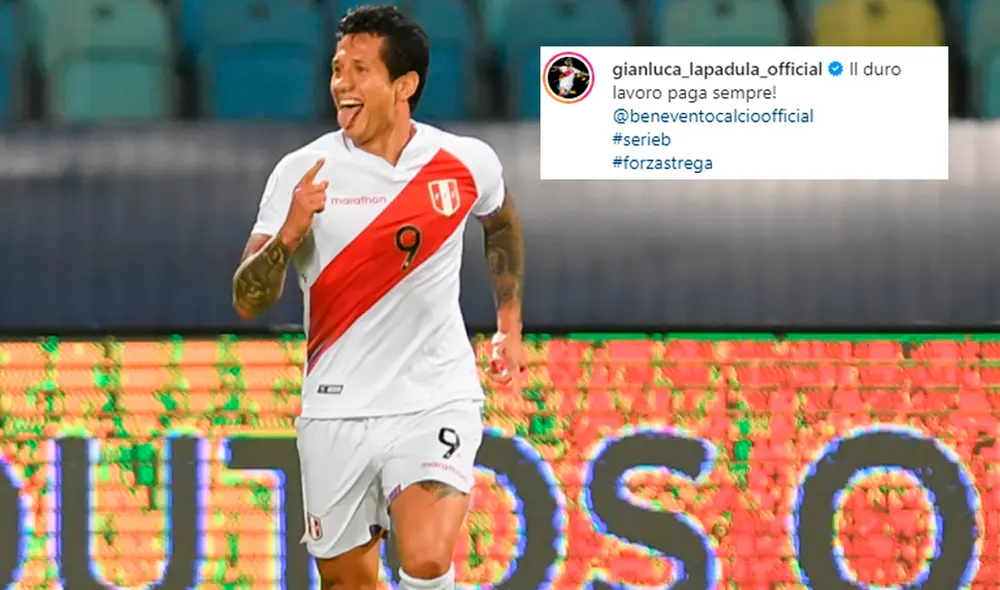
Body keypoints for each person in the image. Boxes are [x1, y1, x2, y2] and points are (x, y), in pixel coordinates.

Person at [230, 4, 525, 590]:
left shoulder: (465, 162)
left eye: (360, 70)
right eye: (337, 69)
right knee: (349, 582)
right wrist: (288, 237)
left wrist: (509, 324)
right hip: (336, 408)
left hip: (433, 396)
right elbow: (246, 299)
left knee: (425, 558)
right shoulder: (300, 172)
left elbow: (501, 223)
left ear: (404, 85)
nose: (341, 83)